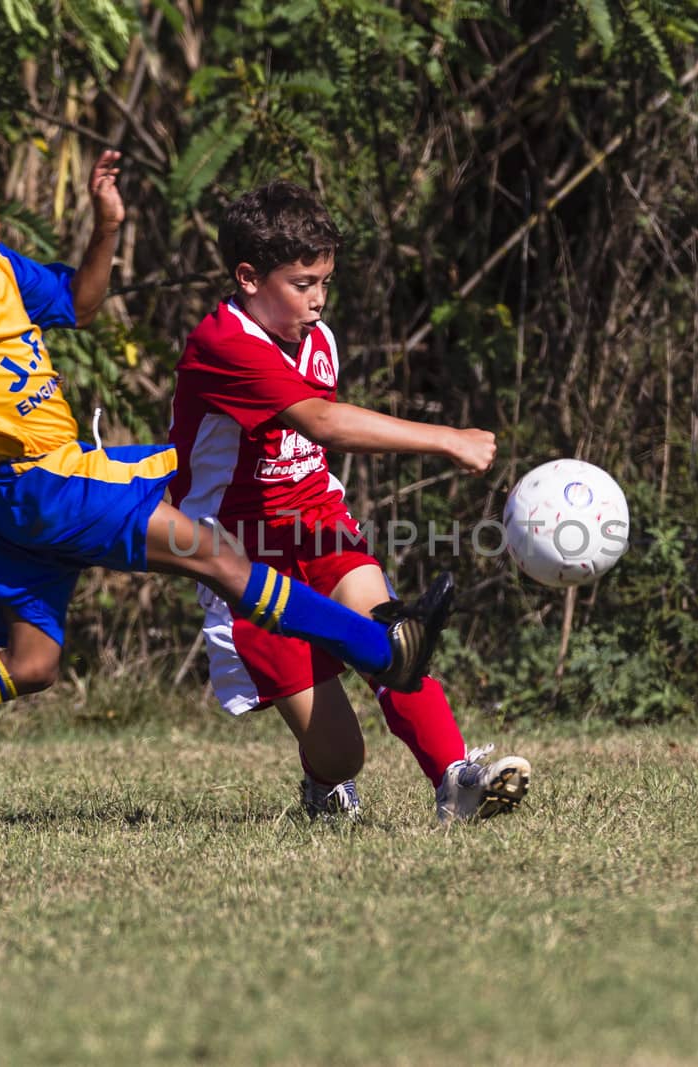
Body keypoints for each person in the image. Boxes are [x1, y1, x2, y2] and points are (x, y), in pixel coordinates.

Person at [0, 141, 454, 834]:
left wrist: (106, 225)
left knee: (32, 662)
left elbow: (80, 304)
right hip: (41, 482)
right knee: (216, 553)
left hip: (24, 492)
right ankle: (385, 648)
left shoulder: (1, 271)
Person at [167, 180, 531, 823]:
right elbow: (323, 424)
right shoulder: (223, 344)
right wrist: (448, 439)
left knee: (396, 638)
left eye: (325, 282)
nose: (318, 299)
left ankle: (456, 779)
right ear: (248, 278)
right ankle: (323, 784)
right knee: (342, 754)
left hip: (320, 528)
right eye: (302, 283)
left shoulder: (318, 339)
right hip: (242, 562)